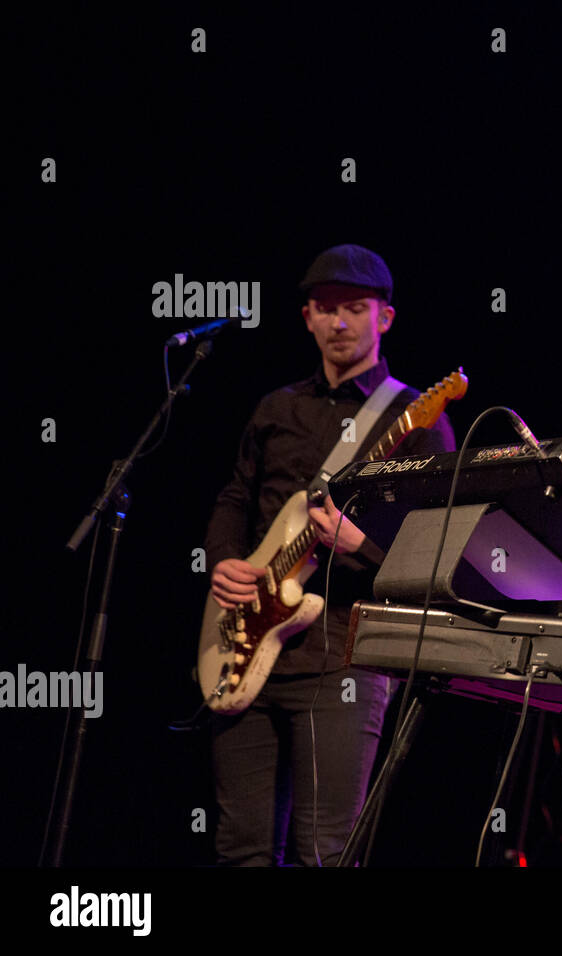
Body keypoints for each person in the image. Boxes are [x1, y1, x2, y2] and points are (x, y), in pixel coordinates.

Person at [202, 243, 456, 865]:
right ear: (307, 318)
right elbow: (235, 496)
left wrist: (361, 545)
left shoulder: (417, 417)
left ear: (385, 318)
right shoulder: (276, 407)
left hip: (345, 656)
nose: (339, 322)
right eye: (325, 308)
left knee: (324, 852)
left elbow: (438, 552)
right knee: (241, 849)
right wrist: (222, 560)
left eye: (356, 308)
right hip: (244, 647)